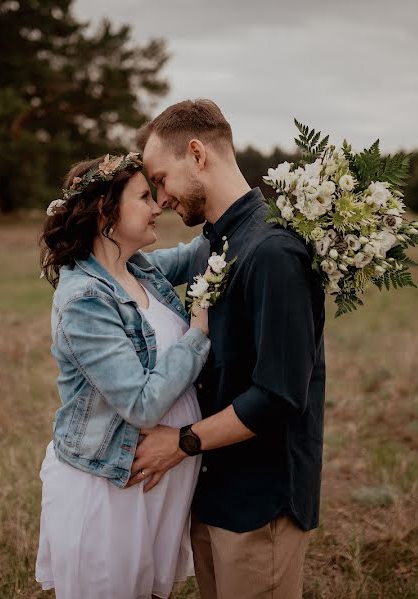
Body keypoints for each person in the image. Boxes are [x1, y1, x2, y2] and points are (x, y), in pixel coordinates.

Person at [130, 99, 327, 599]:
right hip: (214, 491)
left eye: (160, 178)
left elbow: (279, 395)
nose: (161, 197)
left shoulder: (273, 251)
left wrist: (180, 443)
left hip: (260, 503)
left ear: (197, 154)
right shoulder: (217, 243)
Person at [34, 152, 211, 599]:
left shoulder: (140, 270)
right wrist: (199, 330)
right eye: (144, 197)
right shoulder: (84, 301)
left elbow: (202, 251)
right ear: (105, 213)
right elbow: (141, 403)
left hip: (159, 478)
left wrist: (286, 211)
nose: (157, 206)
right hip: (110, 488)